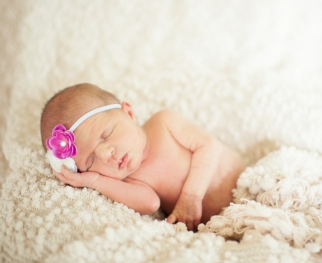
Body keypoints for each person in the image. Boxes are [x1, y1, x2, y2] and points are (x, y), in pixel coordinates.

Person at [40, 83, 246, 231]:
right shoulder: (130, 179)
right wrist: (94, 181)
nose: (105, 155)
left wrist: (191, 197)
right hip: (227, 224)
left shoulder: (163, 124)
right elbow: (150, 204)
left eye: (106, 134)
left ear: (128, 113)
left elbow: (209, 145)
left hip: (246, 182)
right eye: (90, 161)